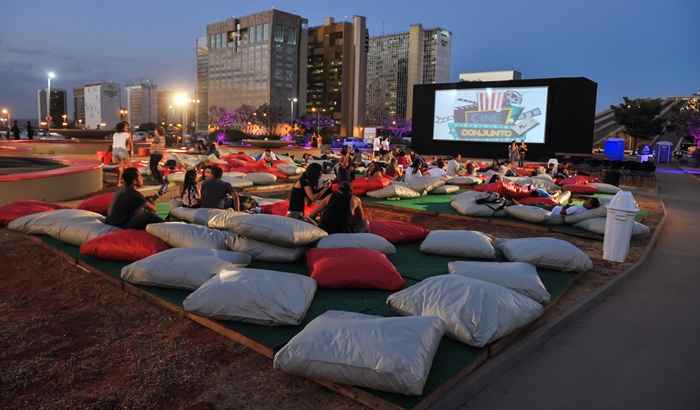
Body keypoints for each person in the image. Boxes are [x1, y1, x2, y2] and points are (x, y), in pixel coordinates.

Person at [112, 121, 132, 186]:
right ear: (123, 127)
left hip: (114, 151)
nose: (127, 128)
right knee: (129, 166)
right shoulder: (127, 134)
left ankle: (119, 182)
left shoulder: (115, 134)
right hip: (122, 150)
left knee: (120, 167)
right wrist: (131, 151)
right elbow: (130, 143)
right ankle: (130, 180)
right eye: (126, 127)